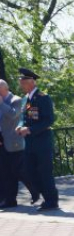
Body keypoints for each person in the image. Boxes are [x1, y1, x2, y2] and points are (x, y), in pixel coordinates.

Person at [15, 68, 59, 211]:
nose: (21, 85)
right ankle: (46, 196)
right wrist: (20, 126)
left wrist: (30, 130)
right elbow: (24, 118)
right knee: (29, 171)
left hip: (42, 142)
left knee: (45, 172)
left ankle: (51, 201)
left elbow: (48, 120)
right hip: (30, 143)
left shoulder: (43, 98)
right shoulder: (27, 99)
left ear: (31, 82)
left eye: (22, 82)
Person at [0, 80, 24, 209]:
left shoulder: (16, 99)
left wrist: (2, 104)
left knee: (13, 172)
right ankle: (4, 198)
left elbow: (13, 115)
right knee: (3, 171)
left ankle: (11, 199)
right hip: (1, 139)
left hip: (13, 142)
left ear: (3, 89)